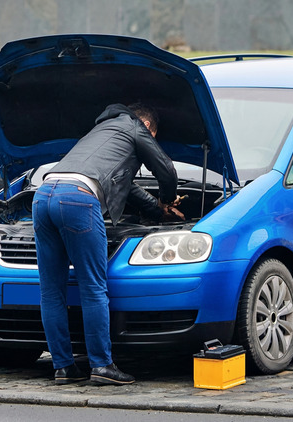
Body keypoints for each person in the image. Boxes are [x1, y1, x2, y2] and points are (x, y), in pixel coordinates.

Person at [32, 103, 182, 385]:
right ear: (149, 127)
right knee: (93, 288)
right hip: (77, 198)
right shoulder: (136, 127)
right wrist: (168, 199)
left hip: (43, 196)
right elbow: (167, 170)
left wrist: (154, 209)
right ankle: (102, 366)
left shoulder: (100, 129)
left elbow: (126, 187)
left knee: (52, 291)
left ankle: (63, 367)